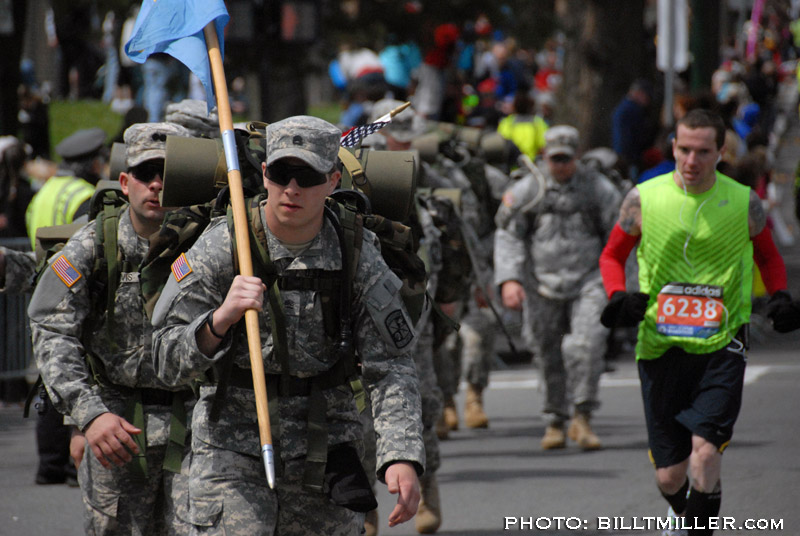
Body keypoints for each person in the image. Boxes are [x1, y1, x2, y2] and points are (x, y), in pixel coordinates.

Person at [150, 115, 424, 535]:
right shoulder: (224, 244)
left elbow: (392, 366)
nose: (292, 189)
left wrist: (401, 455)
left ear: (333, 180)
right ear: (264, 174)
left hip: (327, 444)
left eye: (307, 175)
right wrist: (220, 320)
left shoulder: (356, 251)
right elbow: (166, 359)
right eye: (281, 173)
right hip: (231, 444)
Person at [598, 109, 800, 535]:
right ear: (673, 146)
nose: (691, 161)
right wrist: (619, 297)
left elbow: (768, 257)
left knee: (705, 455)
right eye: (684, 150)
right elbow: (612, 256)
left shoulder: (744, 201)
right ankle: (693, 504)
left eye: (703, 152)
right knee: (670, 477)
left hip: (723, 343)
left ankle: (698, 524)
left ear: (720, 152)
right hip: (659, 344)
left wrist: (779, 296)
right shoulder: (643, 198)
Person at [28, 122, 195, 533]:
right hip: (116, 425)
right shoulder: (92, 246)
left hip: (195, 426)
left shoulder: (209, 242)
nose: (156, 184)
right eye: (145, 173)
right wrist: (89, 415)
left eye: (168, 174)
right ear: (124, 181)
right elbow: (51, 329)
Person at [495, 125, 621, 451]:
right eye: (555, 159)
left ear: (577, 156)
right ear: (545, 157)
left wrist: (623, 288)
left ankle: (583, 416)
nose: (560, 165)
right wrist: (509, 279)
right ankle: (554, 420)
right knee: (545, 351)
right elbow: (508, 233)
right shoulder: (529, 190)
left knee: (587, 346)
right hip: (541, 283)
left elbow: (620, 238)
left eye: (566, 159)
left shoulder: (598, 188)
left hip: (589, 280)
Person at [25, 127, 109, 248]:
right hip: (70, 266)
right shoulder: (84, 195)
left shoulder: (43, 190)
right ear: (95, 165)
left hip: (44, 265)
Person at [611, 79, 655, 179]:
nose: (647, 100)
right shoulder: (632, 110)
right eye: (646, 96)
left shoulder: (623, 107)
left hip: (624, 156)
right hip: (630, 157)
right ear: (639, 93)